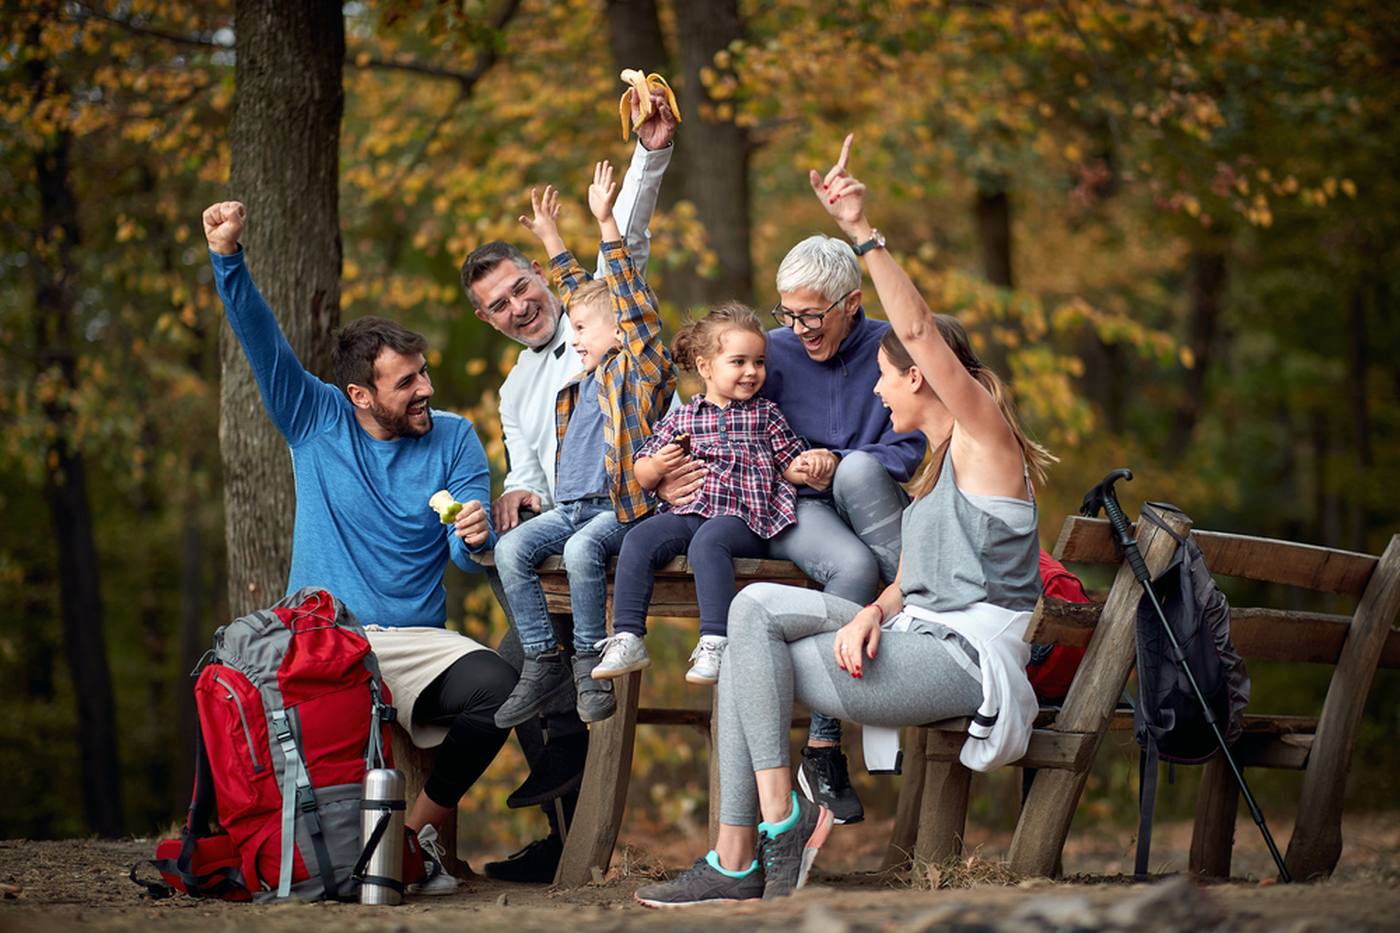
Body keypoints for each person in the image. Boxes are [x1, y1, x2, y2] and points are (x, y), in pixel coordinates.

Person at [634, 135, 1054, 907]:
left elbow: (919, 330)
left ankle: (748, 850)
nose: (878, 397)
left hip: (964, 655)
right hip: (908, 628)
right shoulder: (931, 476)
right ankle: (767, 827)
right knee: (750, 614)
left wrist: (863, 230)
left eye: (887, 380)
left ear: (923, 376)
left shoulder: (986, 445)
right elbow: (920, 578)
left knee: (748, 672)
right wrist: (876, 608)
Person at [203, 200, 515, 896]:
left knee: (500, 686)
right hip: (325, 640)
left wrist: (476, 535)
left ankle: (417, 836)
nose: (425, 389)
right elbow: (263, 343)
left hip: (410, 640)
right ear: (359, 395)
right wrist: (228, 258)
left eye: (424, 373)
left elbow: (467, 558)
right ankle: (317, 852)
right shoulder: (316, 419)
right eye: (406, 382)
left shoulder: (456, 438)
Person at [458, 90, 677, 882]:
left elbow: (631, 241)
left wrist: (649, 156)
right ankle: (564, 838)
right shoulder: (519, 390)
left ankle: (570, 831)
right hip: (565, 528)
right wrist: (517, 493)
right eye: (499, 306)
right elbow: (525, 465)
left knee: (527, 659)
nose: (520, 307)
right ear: (488, 319)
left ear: (540, 280)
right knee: (518, 660)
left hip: (627, 518)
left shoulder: (605, 327)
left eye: (522, 288)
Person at [660, 234, 927, 825]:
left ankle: (844, 723)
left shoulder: (889, 348)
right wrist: (668, 473)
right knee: (855, 569)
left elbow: (914, 443)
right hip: (793, 507)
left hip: (870, 502)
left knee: (858, 472)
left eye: (812, 315)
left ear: (851, 302)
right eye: (790, 313)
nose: (800, 328)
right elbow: (720, 417)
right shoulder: (769, 352)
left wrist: (840, 460)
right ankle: (825, 744)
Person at [492, 162, 674, 728]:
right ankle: (544, 656)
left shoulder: (639, 369)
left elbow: (628, 306)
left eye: (583, 334)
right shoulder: (587, 371)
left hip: (622, 509)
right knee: (510, 552)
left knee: (577, 553)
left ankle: (588, 660)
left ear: (621, 331)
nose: (574, 341)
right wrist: (549, 237)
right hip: (571, 508)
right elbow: (581, 297)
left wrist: (605, 226)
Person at [592, 303, 810, 686]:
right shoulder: (682, 418)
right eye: (738, 361)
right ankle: (628, 636)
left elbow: (788, 462)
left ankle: (716, 640)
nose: (751, 372)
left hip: (745, 517)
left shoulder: (766, 414)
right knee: (640, 538)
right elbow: (642, 471)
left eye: (758, 362)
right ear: (706, 366)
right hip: (691, 511)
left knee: (708, 544)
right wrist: (658, 466)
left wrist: (808, 467)